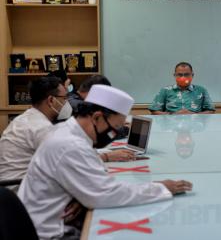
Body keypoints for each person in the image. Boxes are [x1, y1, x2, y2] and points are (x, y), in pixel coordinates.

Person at [18, 85, 193, 240]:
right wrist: (162, 187)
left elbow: (95, 183)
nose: (115, 133)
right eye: (116, 127)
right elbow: (106, 194)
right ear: (96, 118)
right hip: (52, 231)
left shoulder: (69, 131)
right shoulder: (70, 145)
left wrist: (82, 195)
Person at [0, 77, 71, 189]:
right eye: (64, 98)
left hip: (10, 188)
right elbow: (66, 164)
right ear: (51, 100)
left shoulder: (25, 118)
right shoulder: (41, 127)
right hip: (20, 190)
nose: (67, 103)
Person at [149, 62, 215, 115]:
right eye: (180, 75)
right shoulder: (165, 90)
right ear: (175, 75)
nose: (183, 77)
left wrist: (194, 115)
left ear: (192, 75)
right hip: (171, 127)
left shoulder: (201, 90)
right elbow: (154, 111)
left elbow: (210, 110)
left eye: (186, 74)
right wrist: (173, 115)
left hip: (194, 127)